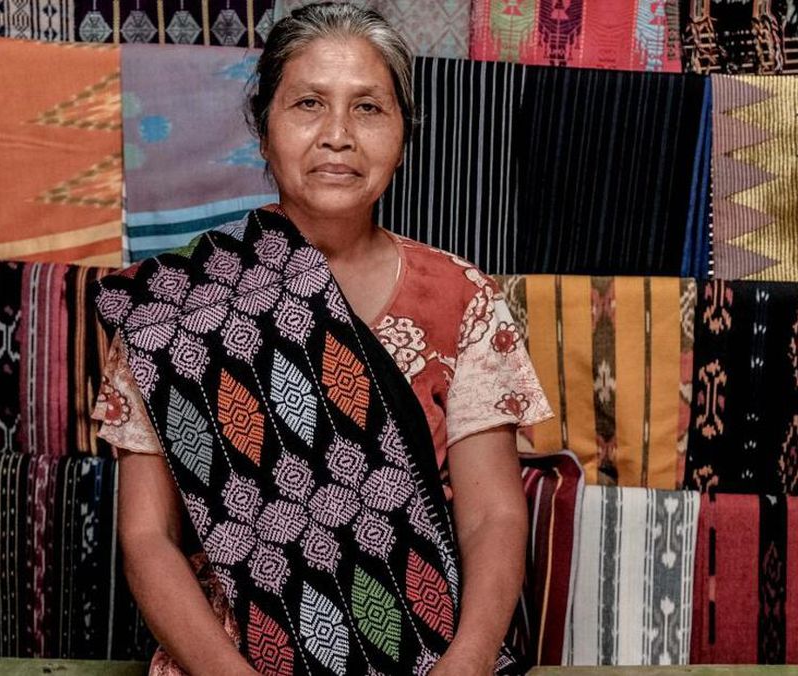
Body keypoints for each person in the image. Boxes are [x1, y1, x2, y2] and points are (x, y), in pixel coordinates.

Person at [92, 3, 552, 674]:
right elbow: (147, 537)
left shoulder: (461, 299)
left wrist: (469, 661)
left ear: (404, 135)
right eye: (308, 104)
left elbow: (493, 518)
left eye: (368, 108)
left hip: (430, 655)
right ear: (263, 129)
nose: (337, 135)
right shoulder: (172, 305)